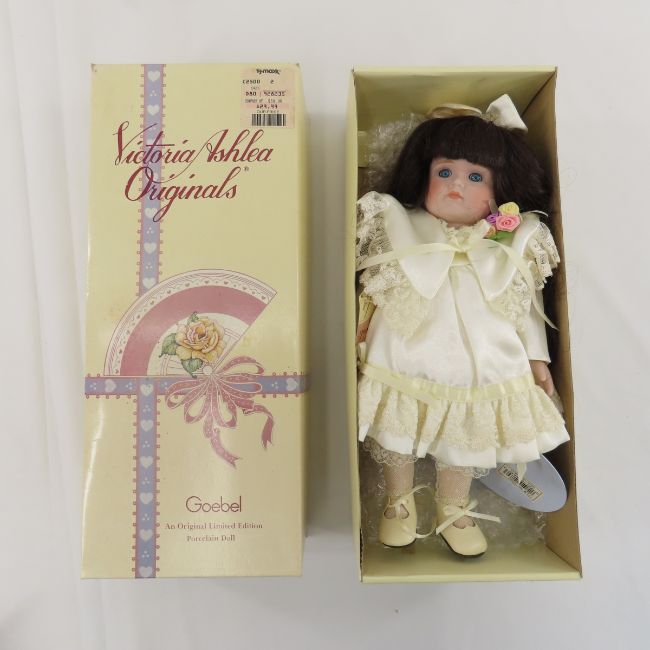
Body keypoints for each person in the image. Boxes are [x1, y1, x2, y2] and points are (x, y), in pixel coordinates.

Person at [355, 95, 570, 557]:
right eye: (445, 172)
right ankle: (397, 501)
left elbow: (526, 306)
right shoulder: (399, 224)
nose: (457, 185)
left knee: (466, 433)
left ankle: (453, 508)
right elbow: (376, 282)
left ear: (500, 190)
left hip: (483, 357)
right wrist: (362, 324)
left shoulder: (512, 242)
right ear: (423, 176)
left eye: (475, 177)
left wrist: (537, 357)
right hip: (408, 347)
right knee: (399, 422)